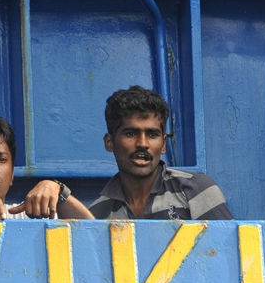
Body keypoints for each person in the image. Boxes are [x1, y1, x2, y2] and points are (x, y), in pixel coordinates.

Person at [90, 86, 232, 219]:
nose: (142, 144)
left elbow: (225, 245)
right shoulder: (97, 214)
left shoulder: (195, 190)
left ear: (163, 144)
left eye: (152, 135)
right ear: (110, 142)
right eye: (130, 134)